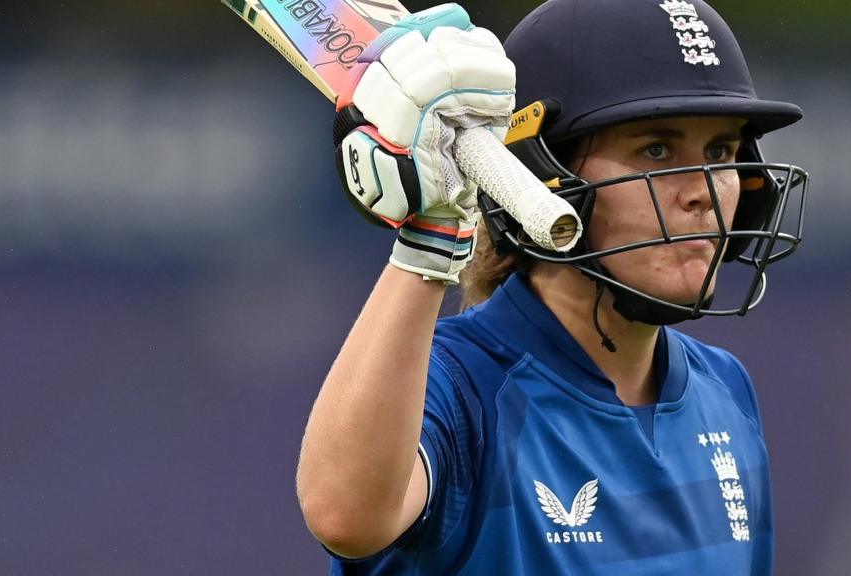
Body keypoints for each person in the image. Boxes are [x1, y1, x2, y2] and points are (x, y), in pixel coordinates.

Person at [297, 0, 809, 574]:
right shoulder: (457, 383)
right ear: (546, 177)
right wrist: (430, 238)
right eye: (657, 149)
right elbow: (345, 516)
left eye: (720, 151)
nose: (703, 192)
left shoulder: (727, 392)